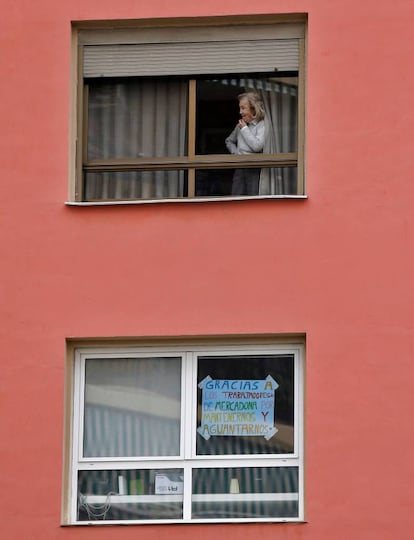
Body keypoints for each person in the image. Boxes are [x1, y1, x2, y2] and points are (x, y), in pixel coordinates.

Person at [225, 92, 265, 195]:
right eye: (240, 108)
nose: (240, 112)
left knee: (253, 200)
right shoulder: (241, 125)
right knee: (236, 198)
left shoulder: (262, 125)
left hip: (254, 168)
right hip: (240, 168)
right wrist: (236, 154)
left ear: (253, 108)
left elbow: (257, 146)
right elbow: (229, 141)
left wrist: (244, 129)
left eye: (243, 108)